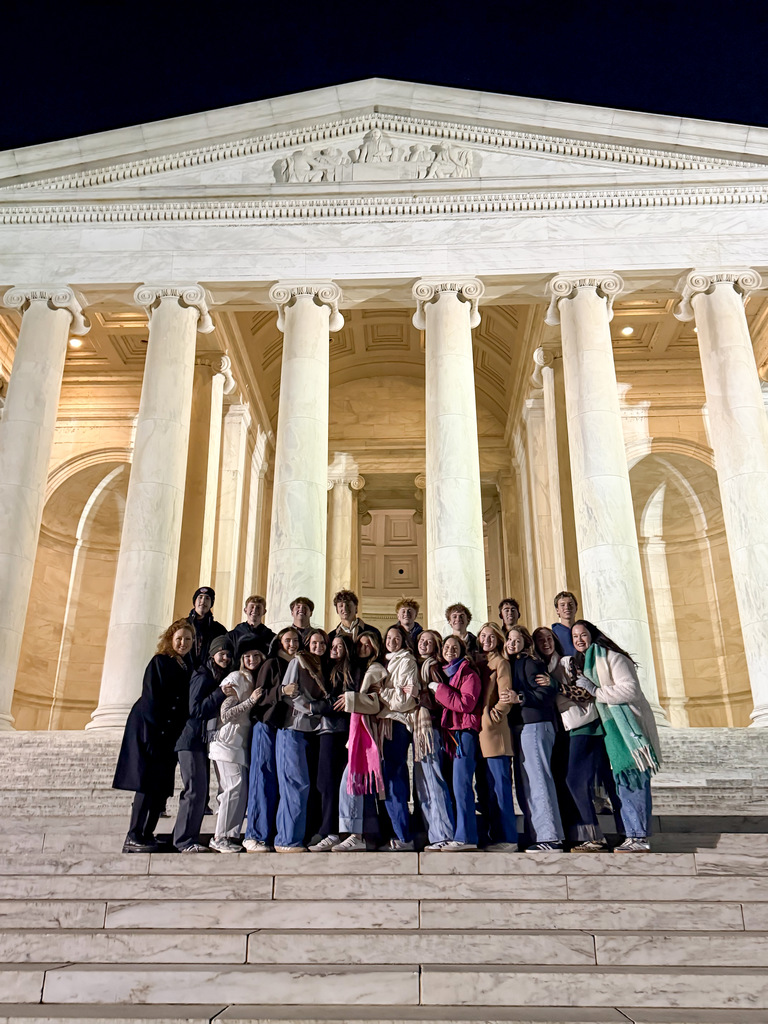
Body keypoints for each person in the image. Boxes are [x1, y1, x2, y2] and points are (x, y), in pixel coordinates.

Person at [571, 619, 661, 852]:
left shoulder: (613, 657)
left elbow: (630, 689)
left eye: (583, 635)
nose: (579, 640)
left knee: (633, 781)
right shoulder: (589, 663)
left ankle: (639, 837)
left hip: (630, 732)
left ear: (592, 635)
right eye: (575, 637)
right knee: (624, 784)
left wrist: (596, 691)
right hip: (615, 733)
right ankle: (634, 835)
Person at [114, 619, 195, 852]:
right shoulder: (160, 661)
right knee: (146, 784)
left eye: (187, 639)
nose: (183, 643)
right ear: (170, 639)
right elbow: (151, 700)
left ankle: (147, 833)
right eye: (179, 638)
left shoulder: (186, 666)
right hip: (149, 730)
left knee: (160, 787)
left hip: (169, 734)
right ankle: (133, 835)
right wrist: (152, 737)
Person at [533, 626, 607, 852]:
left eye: (549, 638)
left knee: (576, 780)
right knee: (562, 782)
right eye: (540, 640)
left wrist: (555, 685)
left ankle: (594, 836)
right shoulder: (538, 667)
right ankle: (575, 834)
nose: (546, 642)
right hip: (560, 731)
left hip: (581, 726)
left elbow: (585, 692)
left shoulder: (567, 662)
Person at [173, 634, 233, 852]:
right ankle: (184, 841)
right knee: (194, 791)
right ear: (212, 654)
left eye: (228, 654)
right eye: (221, 653)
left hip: (200, 741)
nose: (225, 657)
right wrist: (219, 694)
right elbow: (195, 709)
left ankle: (186, 837)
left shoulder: (216, 675)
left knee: (200, 791)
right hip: (190, 740)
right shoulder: (202, 674)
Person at [507, 625, 565, 852]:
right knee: (529, 783)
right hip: (523, 727)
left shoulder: (531, 662)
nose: (512, 643)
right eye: (509, 640)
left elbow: (545, 693)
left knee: (538, 780)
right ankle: (540, 834)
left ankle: (549, 837)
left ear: (525, 642)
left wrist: (519, 696)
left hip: (535, 725)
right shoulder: (514, 663)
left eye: (517, 639)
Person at [274, 629, 332, 852]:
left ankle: (299, 835)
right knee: (295, 783)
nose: (319, 646)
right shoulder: (298, 661)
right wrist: (311, 709)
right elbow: (290, 694)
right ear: (308, 644)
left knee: (306, 786)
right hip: (294, 728)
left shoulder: (321, 665)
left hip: (312, 731)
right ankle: (286, 840)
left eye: (322, 643)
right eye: (314, 642)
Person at [242, 628, 297, 852]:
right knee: (262, 777)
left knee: (278, 781)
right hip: (265, 725)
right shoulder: (271, 663)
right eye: (288, 640)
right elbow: (259, 695)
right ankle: (254, 835)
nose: (292, 643)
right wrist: (281, 691)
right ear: (280, 642)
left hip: (285, 728)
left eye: (295, 640)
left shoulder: (299, 664)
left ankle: (271, 832)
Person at [207, 639, 265, 852]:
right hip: (226, 744)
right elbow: (226, 714)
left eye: (256, 656)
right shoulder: (235, 678)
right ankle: (220, 837)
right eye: (247, 656)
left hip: (238, 745)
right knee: (233, 789)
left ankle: (229, 836)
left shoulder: (251, 680)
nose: (252, 660)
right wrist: (251, 701)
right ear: (241, 659)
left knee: (237, 790)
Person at [334, 630, 388, 852]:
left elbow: (376, 703)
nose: (363, 647)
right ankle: (359, 834)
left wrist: (350, 700)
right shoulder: (357, 669)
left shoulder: (377, 670)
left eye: (368, 644)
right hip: (357, 732)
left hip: (371, 734)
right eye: (360, 644)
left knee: (352, 780)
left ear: (375, 648)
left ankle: (356, 834)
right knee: (356, 783)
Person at [431, 634, 482, 851]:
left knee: (462, 787)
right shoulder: (449, 675)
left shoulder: (469, 674)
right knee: (455, 786)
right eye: (446, 646)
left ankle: (466, 838)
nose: (450, 650)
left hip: (464, 733)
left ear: (462, 650)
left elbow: (466, 704)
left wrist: (438, 690)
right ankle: (459, 834)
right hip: (452, 734)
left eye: (455, 647)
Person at [307, 633, 354, 851]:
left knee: (329, 781)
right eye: (331, 645)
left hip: (337, 731)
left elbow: (340, 703)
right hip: (323, 731)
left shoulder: (348, 670)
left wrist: (313, 708)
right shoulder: (326, 667)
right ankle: (325, 829)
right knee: (323, 782)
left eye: (338, 646)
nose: (333, 649)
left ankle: (331, 831)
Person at [376, 623, 421, 851]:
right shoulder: (385, 661)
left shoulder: (407, 661)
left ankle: (404, 836)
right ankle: (395, 831)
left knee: (394, 777)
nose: (391, 641)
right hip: (384, 722)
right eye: (388, 638)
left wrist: (380, 692)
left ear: (403, 641)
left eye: (396, 638)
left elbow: (405, 700)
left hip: (398, 723)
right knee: (387, 778)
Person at [476, 622, 519, 852]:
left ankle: (509, 838)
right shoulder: (479, 662)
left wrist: (493, 717)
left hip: (494, 734)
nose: (487, 639)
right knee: (486, 790)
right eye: (483, 635)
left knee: (500, 789)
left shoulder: (501, 663)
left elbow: (505, 696)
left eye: (491, 636)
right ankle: (494, 835)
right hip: (479, 736)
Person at [412, 629, 455, 850]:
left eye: (429, 642)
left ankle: (444, 834)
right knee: (423, 785)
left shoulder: (433, 666)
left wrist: (418, 694)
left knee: (434, 781)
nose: (424, 644)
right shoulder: (419, 665)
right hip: (420, 729)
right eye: (422, 640)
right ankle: (434, 834)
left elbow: (441, 698)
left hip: (431, 730)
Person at [186, 586, 228, 669]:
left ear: (211, 604)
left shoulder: (219, 629)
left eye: (207, 598)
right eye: (200, 597)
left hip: (207, 675)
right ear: (194, 602)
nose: (203, 601)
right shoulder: (182, 625)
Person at [552, 591, 578, 657]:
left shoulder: (585, 630)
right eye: (562, 605)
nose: (567, 607)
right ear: (557, 610)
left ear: (576, 608)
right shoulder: (553, 634)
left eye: (570, 604)